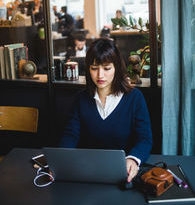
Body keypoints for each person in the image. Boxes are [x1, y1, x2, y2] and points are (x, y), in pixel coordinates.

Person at [59, 38, 152, 182]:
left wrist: (133, 160)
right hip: (86, 172)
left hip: (122, 174)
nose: (100, 75)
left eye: (106, 68)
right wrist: (60, 162)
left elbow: (144, 139)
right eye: (94, 68)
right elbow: (70, 135)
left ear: (117, 68)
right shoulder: (80, 99)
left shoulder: (134, 98)